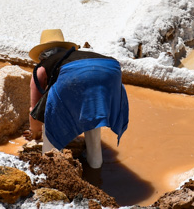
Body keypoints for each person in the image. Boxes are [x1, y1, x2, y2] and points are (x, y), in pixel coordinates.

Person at [25, 29, 129, 170]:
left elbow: (35, 111)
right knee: (92, 114)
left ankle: (50, 166)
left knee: (50, 116)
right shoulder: (75, 55)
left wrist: (35, 133)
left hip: (75, 72)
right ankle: (96, 164)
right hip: (111, 69)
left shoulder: (42, 68)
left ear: (42, 56)